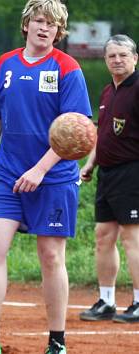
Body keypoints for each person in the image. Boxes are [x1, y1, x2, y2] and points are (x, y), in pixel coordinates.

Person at [0, 1, 91, 353]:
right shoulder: (5, 64)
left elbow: (76, 132)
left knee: (51, 256)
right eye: (38, 21)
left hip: (54, 177)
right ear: (25, 24)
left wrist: (40, 170)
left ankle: (56, 343)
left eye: (52, 24)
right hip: (9, 173)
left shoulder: (67, 68)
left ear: (59, 31)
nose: (44, 28)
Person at [78, 34, 139, 324]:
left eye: (123, 55)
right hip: (108, 173)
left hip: (133, 171)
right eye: (112, 56)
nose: (117, 60)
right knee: (104, 237)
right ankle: (106, 301)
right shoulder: (107, 92)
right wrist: (91, 164)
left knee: (133, 238)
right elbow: (102, 135)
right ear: (105, 60)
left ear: (135, 58)